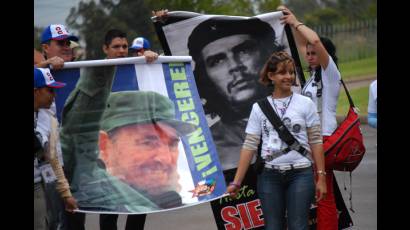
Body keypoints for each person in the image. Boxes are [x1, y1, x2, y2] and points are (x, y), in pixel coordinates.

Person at [60, 29, 159, 230]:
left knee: (141, 203)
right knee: (109, 211)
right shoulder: (96, 72)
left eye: (124, 47)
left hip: (134, 149)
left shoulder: (137, 68)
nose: (121, 51)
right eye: (116, 47)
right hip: (104, 151)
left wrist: (152, 57)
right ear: (105, 49)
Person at [226, 51, 327, 229]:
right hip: (269, 176)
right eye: (282, 72)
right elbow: (250, 145)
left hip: (301, 174)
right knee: (273, 226)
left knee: (299, 226)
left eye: (291, 72)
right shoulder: (259, 107)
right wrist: (236, 182)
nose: (288, 76)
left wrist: (321, 177)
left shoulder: (306, 103)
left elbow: (316, 141)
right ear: (271, 76)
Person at [186, 16, 285, 170]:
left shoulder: (298, 110)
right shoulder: (207, 151)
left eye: (244, 51)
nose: (234, 66)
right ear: (205, 78)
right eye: (217, 61)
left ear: (267, 56)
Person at [278, 5, 342, 230]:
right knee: (315, 196)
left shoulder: (330, 73)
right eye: (308, 53)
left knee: (324, 198)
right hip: (309, 143)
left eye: (315, 53)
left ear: (326, 54)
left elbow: (314, 42)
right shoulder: (311, 78)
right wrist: (289, 24)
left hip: (322, 141)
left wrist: (296, 21)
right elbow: (306, 44)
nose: (310, 55)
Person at [34, 24, 79, 230]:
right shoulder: (41, 73)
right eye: (60, 42)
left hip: (55, 173)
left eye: (68, 42)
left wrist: (66, 192)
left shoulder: (79, 70)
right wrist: (44, 65)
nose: (66, 46)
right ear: (45, 47)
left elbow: (51, 155)